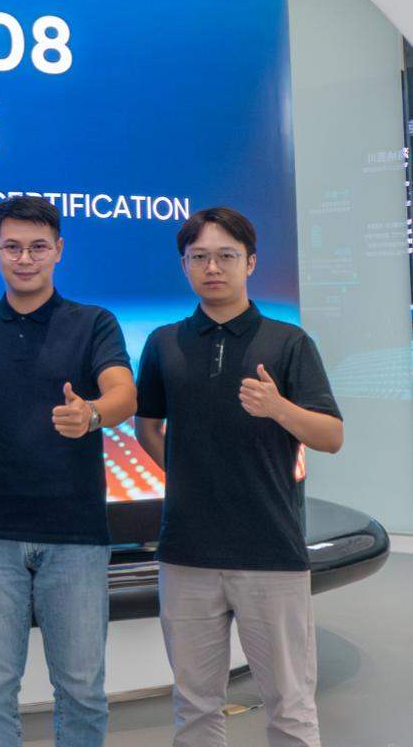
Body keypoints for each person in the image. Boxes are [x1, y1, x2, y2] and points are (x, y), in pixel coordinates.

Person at [134, 207, 343, 747]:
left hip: (270, 550)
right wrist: (188, 473)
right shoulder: (163, 343)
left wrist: (278, 408)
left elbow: (330, 436)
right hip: (186, 553)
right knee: (195, 707)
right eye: (199, 257)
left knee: (290, 707)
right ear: (184, 265)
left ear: (250, 262)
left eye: (226, 255)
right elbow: (147, 426)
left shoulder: (288, 342)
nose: (212, 267)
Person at [0, 194, 136, 747]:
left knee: (81, 688)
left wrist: (91, 414)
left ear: (59, 250)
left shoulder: (93, 323)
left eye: (37, 247)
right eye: (13, 247)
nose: (25, 259)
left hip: (75, 534)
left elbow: (124, 393)